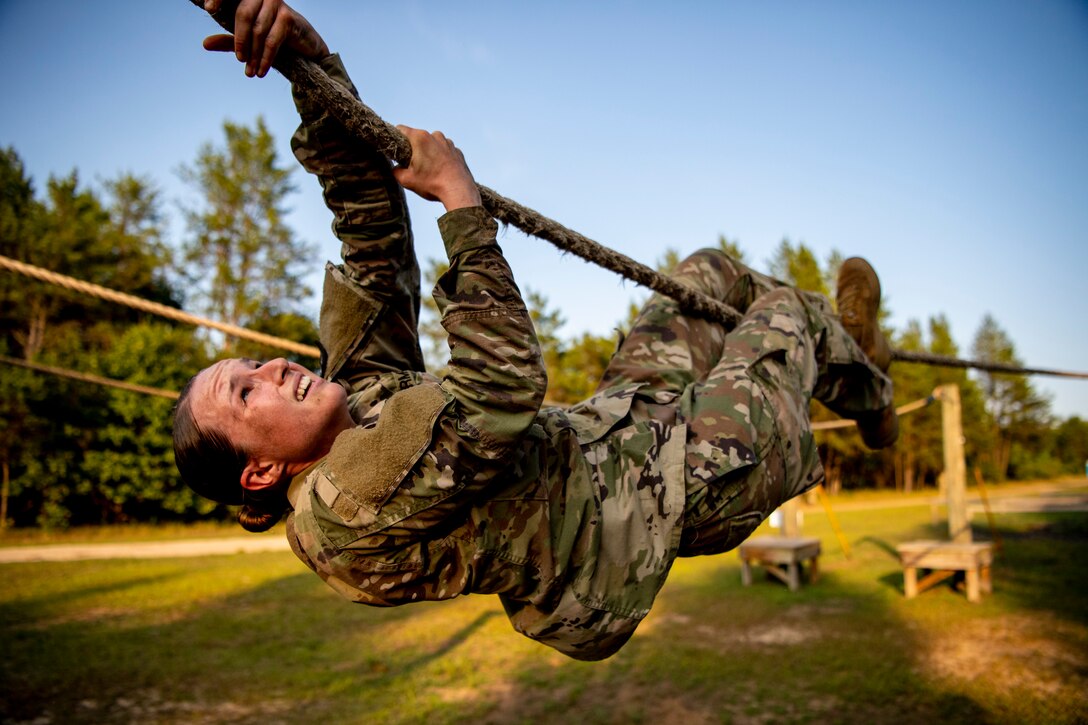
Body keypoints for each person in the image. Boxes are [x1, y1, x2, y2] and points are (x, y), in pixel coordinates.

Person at [175, 0, 898, 661]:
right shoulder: (342, 506)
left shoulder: (351, 400)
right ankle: (868, 387)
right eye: (245, 393)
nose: (272, 368)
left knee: (709, 275)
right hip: (659, 502)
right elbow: (500, 389)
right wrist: (460, 200)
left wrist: (310, 66)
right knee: (788, 317)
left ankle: (853, 362)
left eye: (255, 363)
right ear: (262, 472)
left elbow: (373, 240)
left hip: (611, 432)